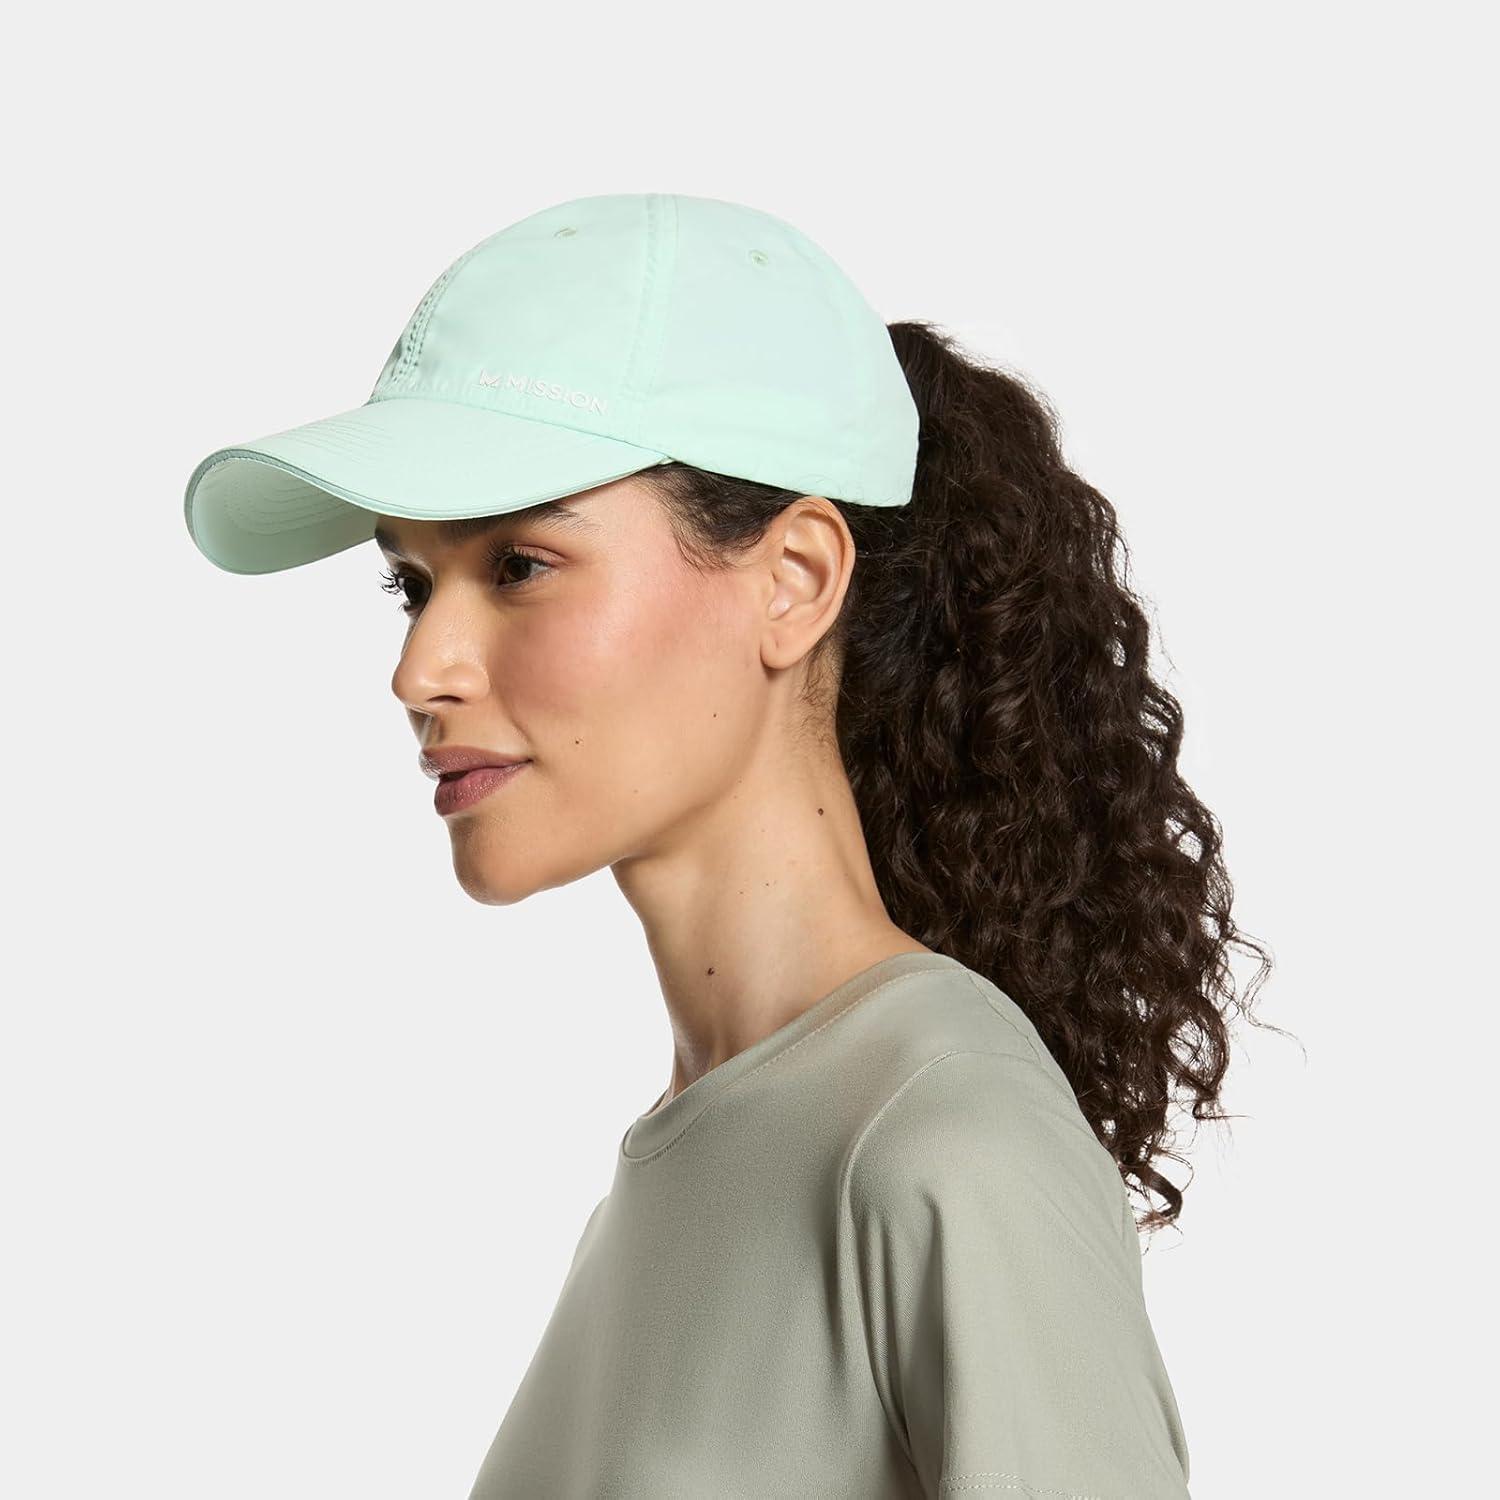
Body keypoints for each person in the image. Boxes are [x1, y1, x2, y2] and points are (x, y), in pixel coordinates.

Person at [183, 192, 1269, 1498]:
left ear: (795, 581)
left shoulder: (942, 1140)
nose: (423, 669)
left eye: (520, 564)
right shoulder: (697, 1165)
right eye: (413, 584)